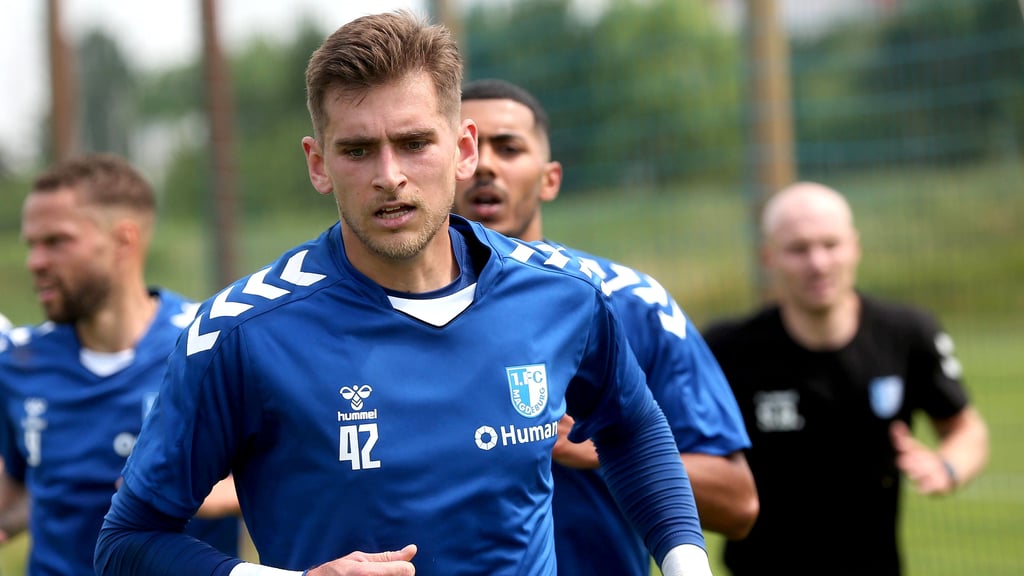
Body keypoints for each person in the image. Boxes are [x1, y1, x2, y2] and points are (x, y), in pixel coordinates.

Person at [93, 10, 714, 576]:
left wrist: (687, 563)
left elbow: (633, 427)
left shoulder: (561, 293)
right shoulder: (240, 333)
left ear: (463, 149)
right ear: (318, 162)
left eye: (414, 143)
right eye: (358, 150)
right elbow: (127, 540)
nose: (389, 177)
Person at [453, 78, 758, 575]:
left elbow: (738, 502)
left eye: (508, 148)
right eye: (466, 147)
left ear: (550, 179)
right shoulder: (379, 318)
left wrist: (609, 446)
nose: (485, 164)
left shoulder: (632, 304)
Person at [701, 181, 990, 576]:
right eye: (798, 249)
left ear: (855, 246)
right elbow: (677, 451)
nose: (818, 263)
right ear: (768, 257)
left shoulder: (906, 334)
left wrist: (947, 467)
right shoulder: (726, 349)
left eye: (831, 244)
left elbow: (966, 428)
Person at [0, 153, 242, 575]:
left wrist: (218, 492)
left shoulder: (211, 346)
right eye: (32, 244)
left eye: (56, 242)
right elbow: (25, 492)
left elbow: (294, 466)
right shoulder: (19, 363)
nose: (35, 262)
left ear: (123, 241)